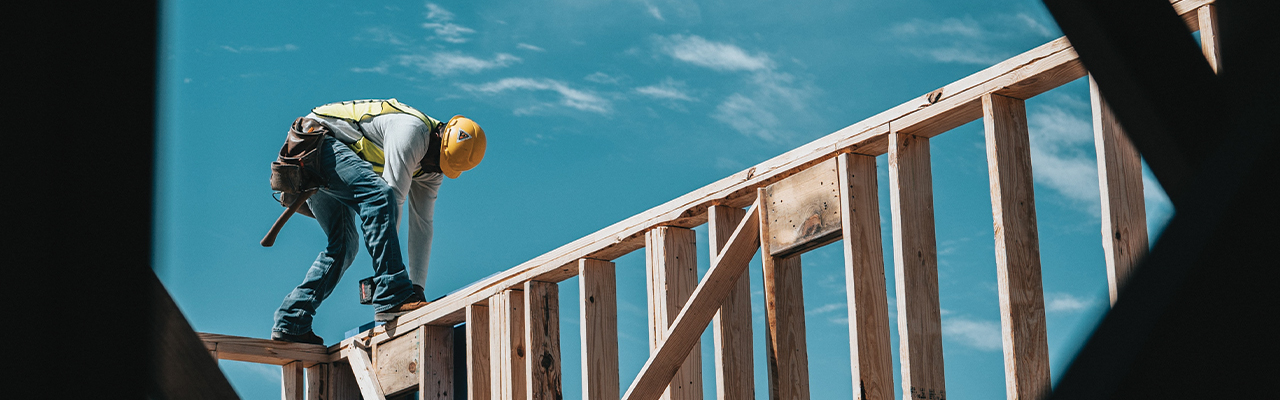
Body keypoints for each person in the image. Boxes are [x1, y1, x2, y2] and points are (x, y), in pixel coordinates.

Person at [270, 99, 486, 344]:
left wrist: (417, 288)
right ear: (439, 135)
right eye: (435, 160)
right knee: (379, 195)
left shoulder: (432, 169)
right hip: (313, 143)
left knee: (344, 247)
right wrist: (392, 286)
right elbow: (390, 199)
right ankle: (391, 292)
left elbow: (422, 226)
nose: (432, 168)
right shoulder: (412, 131)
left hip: (326, 159)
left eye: (440, 166)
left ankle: (292, 320)